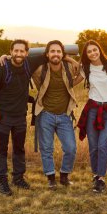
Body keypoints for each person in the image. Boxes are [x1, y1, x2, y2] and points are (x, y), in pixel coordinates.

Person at [0, 39, 40, 196]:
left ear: (27, 53)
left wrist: (70, 58)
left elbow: (51, 52)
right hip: (3, 116)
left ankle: (18, 178)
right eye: (15, 51)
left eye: (22, 51)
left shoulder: (29, 64)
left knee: (19, 148)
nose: (18, 54)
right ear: (11, 52)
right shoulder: (2, 68)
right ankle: (2, 180)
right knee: (2, 149)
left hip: (20, 116)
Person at [74, 40, 107, 193]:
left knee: (103, 145)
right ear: (86, 55)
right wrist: (70, 60)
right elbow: (71, 82)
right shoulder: (85, 69)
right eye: (89, 51)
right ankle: (96, 176)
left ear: (99, 50)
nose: (93, 53)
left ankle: (101, 178)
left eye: (95, 50)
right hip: (93, 110)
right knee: (93, 147)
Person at [31, 40, 78, 190]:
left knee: (70, 148)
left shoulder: (69, 67)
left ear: (62, 54)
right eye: (52, 51)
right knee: (46, 148)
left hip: (64, 115)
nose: (55, 54)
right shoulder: (40, 69)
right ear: (47, 54)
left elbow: (84, 69)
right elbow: (23, 59)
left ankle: (64, 175)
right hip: (45, 114)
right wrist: (5, 56)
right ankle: (51, 177)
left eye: (58, 51)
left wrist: (70, 58)